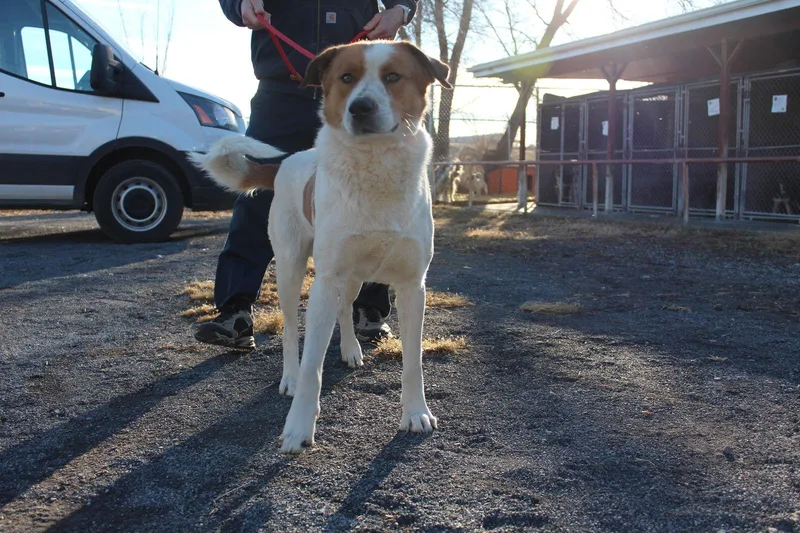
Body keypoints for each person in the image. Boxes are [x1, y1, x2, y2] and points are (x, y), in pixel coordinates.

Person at [195, 0, 418, 350]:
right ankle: (235, 312)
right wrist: (239, 4)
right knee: (260, 195)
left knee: (374, 198)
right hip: (280, 90)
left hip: (354, 91)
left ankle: (369, 311)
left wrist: (401, 10)